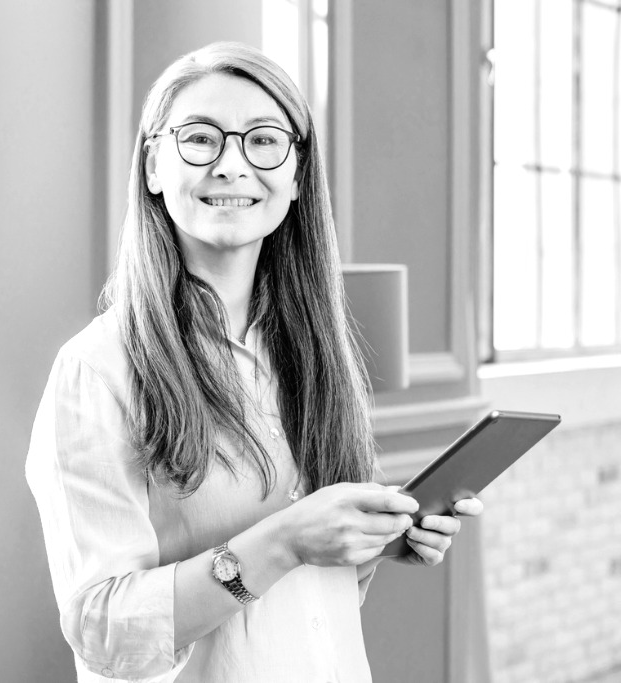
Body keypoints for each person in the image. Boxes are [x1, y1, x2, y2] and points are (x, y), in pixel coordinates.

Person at [25, 41, 483, 683]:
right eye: (200, 139)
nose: (232, 166)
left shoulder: (317, 351)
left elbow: (299, 604)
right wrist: (284, 539)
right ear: (153, 165)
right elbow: (105, 632)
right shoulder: (97, 369)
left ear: (296, 175)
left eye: (264, 140)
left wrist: (370, 542)